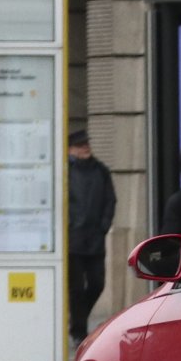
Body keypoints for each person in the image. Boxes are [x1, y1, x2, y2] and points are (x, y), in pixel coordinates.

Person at [67, 129, 116, 344]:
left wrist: (104, 226)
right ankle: (78, 331)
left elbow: (110, 200)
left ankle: (78, 320)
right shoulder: (66, 171)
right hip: (73, 239)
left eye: (86, 143)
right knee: (76, 288)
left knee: (97, 283)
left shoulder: (101, 170)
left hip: (95, 237)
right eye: (80, 145)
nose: (85, 147)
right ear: (71, 149)